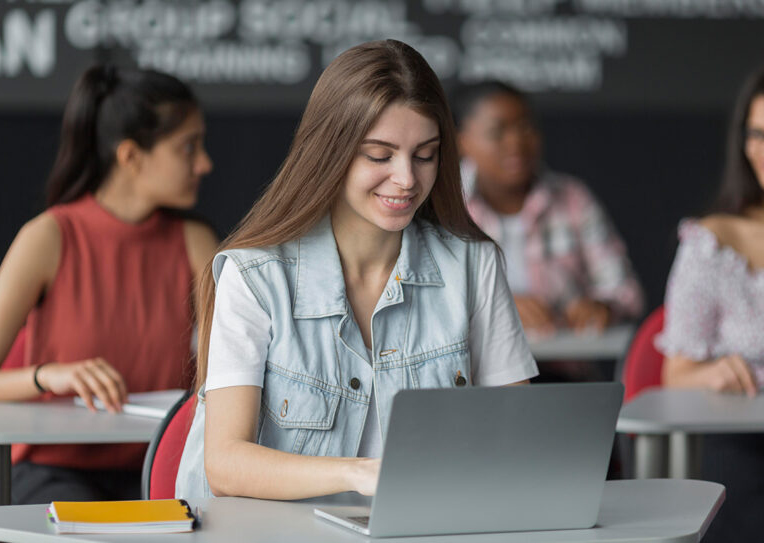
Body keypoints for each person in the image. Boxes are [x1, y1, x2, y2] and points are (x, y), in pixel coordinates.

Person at [175, 40, 538, 500]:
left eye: (425, 154)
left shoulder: (474, 265)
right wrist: (357, 474)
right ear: (332, 151)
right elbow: (225, 464)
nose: (407, 178)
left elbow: (523, 438)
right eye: (380, 155)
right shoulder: (255, 276)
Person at [0, 65, 217, 504]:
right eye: (188, 147)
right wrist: (50, 376)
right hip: (54, 471)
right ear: (131, 156)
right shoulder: (48, 237)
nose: (204, 163)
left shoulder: (197, 243)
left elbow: (223, 378)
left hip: (160, 469)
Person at [657, 66, 764, 543]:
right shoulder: (712, 241)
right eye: (758, 134)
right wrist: (713, 373)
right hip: (745, 437)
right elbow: (674, 375)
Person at [453, 82, 643, 336]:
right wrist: (495, 306)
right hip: (472, 371)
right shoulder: (444, 204)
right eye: (497, 132)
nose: (516, 142)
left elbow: (625, 289)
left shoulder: (573, 198)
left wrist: (603, 308)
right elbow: (425, 298)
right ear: (461, 142)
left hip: (562, 369)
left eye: (525, 127)